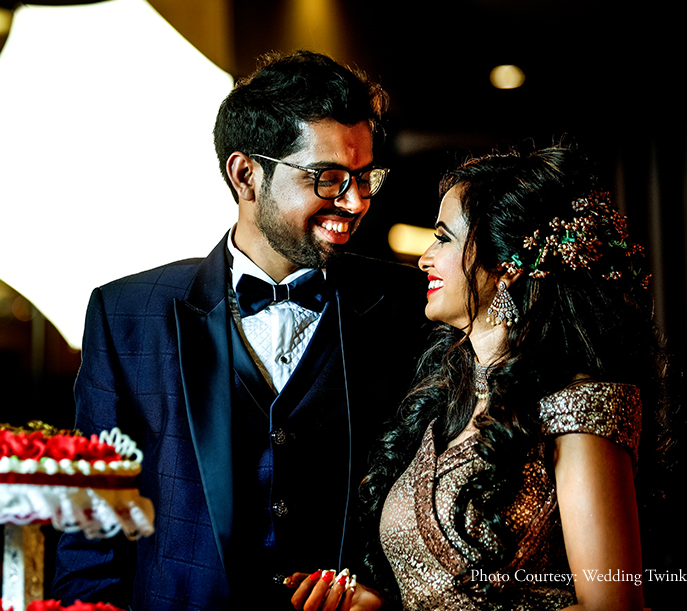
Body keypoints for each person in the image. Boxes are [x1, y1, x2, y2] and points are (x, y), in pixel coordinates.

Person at [51, 50, 426, 610]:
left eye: (366, 175)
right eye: (327, 178)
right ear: (246, 174)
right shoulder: (125, 314)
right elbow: (91, 532)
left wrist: (390, 596)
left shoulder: (409, 306)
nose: (356, 201)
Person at [291, 145, 670, 610]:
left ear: (506, 266)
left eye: (444, 238)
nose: (426, 259)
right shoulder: (441, 405)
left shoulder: (582, 406)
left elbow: (613, 607)